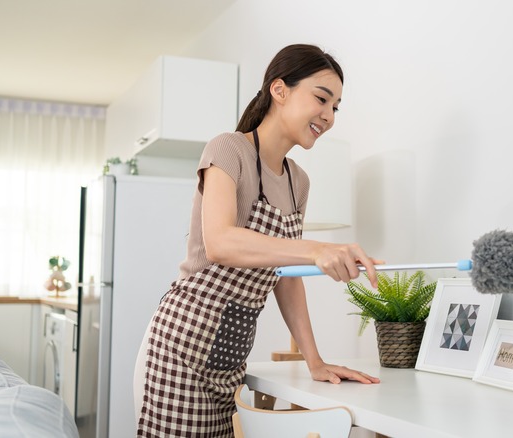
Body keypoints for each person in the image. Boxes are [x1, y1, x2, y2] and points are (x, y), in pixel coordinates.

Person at [134, 44, 382, 437]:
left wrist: (314, 361)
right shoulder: (228, 148)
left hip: (231, 355)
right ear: (279, 90)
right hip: (181, 347)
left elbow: (286, 277)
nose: (329, 116)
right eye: (321, 98)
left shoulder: (299, 180)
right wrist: (315, 249)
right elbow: (220, 242)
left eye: (336, 107)